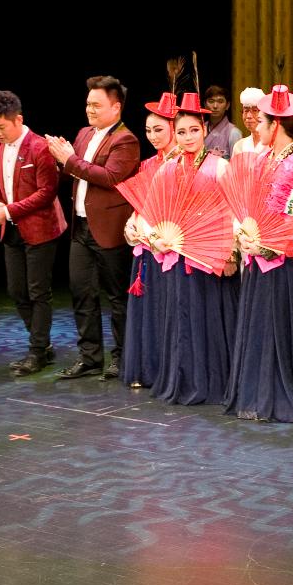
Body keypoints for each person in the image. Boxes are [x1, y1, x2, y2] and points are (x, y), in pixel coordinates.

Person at [225, 84, 293, 422]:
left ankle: (289, 394)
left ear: (276, 125)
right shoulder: (265, 158)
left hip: (288, 261)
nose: (256, 126)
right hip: (260, 257)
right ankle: (260, 392)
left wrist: (267, 244)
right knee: (261, 326)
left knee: (281, 331)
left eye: (263, 121)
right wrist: (244, 235)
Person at [46, 75, 141, 381]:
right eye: (88, 104)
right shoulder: (84, 134)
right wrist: (59, 162)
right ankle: (90, 358)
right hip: (81, 228)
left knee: (117, 298)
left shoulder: (126, 139)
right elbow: (75, 172)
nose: (90, 110)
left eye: (97, 105)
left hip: (109, 229)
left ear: (116, 107)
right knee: (81, 293)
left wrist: (69, 160)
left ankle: (122, 357)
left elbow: (110, 176)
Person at [149, 93, 238, 405]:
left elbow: (233, 214)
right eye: (182, 132)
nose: (188, 137)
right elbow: (153, 214)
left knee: (210, 321)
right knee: (181, 321)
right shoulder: (167, 169)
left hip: (210, 258)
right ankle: (182, 381)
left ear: (204, 130)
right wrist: (155, 238)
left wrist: (231, 252)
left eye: (193, 131)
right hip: (178, 257)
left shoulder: (221, 167)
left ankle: (213, 383)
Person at [0, 90, 66, 376]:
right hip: (12, 229)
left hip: (41, 227)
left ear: (18, 119)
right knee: (17, 291)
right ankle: (42, 343)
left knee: (38, 291)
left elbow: (47, 192)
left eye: (1, 127)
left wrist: (10, 210)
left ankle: (38, 351)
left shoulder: (40, 147)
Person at [121, 91, 179, 389]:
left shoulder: (182, 164)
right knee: (147, 310)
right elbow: (139, 205)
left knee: (166, 310)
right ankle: (147, 368)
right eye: (148, 130)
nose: (153, 136)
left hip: (169, 248)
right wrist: (131, 225)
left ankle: (165, 371)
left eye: (159, 129)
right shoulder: (147, 165)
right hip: (145, 246)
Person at [203, 85, 243, 158]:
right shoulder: (200, 129)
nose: (215, 106)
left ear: (227, 105)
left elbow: (237, 164)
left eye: (220, 101)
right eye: (211, 101)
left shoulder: (234, 133)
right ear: (205, 105)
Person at [231, 87, 265, 156]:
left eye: (255, 110)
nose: (249, 116)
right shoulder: (239, 146)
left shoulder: (273, 145)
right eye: (246, 111)